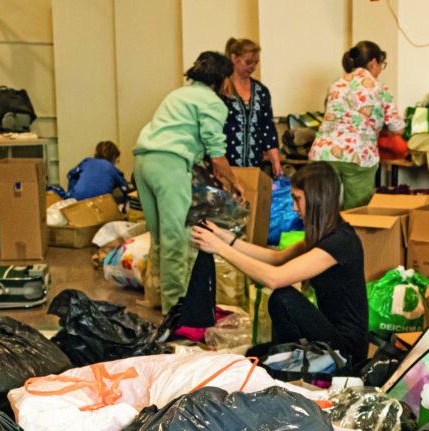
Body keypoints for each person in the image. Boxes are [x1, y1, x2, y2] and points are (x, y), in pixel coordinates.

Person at [190, 162, 368, 364]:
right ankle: (289, 357)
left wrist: (220, 249)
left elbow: (274, 278)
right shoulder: (325, 236)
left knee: (283, 297)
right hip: (331, 335)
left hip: (348, 351)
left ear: (317, 199)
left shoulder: (340, 242)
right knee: (254, 354)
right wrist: (225, 238)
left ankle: (295, 360)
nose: (293, 207)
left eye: (297, 199)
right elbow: (276, 258)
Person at [134, 50, 245, 314]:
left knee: (160, 237)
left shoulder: (177, 94)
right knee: (175, 240)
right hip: (169, 165)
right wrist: (235, 182)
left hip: (142, 162)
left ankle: (158, 296)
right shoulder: (213, 102)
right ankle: (176, 311)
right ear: (224, 78)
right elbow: (217, 156)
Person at [309, 40, 404, 210]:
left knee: (323, 211)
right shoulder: (379, 88)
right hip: (358, 154)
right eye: (382, 64)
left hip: (323, 153)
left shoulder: (335, 84)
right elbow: (397, 128)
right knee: (357, 214)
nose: (381, 69)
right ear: (373, 63)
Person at [221, 37, 282, 177]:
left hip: (254, 166)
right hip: (225, 166)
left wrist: (276, 162)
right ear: (234, 58)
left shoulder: (261, 91)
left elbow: (269, 130)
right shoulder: (221, 89)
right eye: (248, 62)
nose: (252, 67)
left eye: (256, 63)